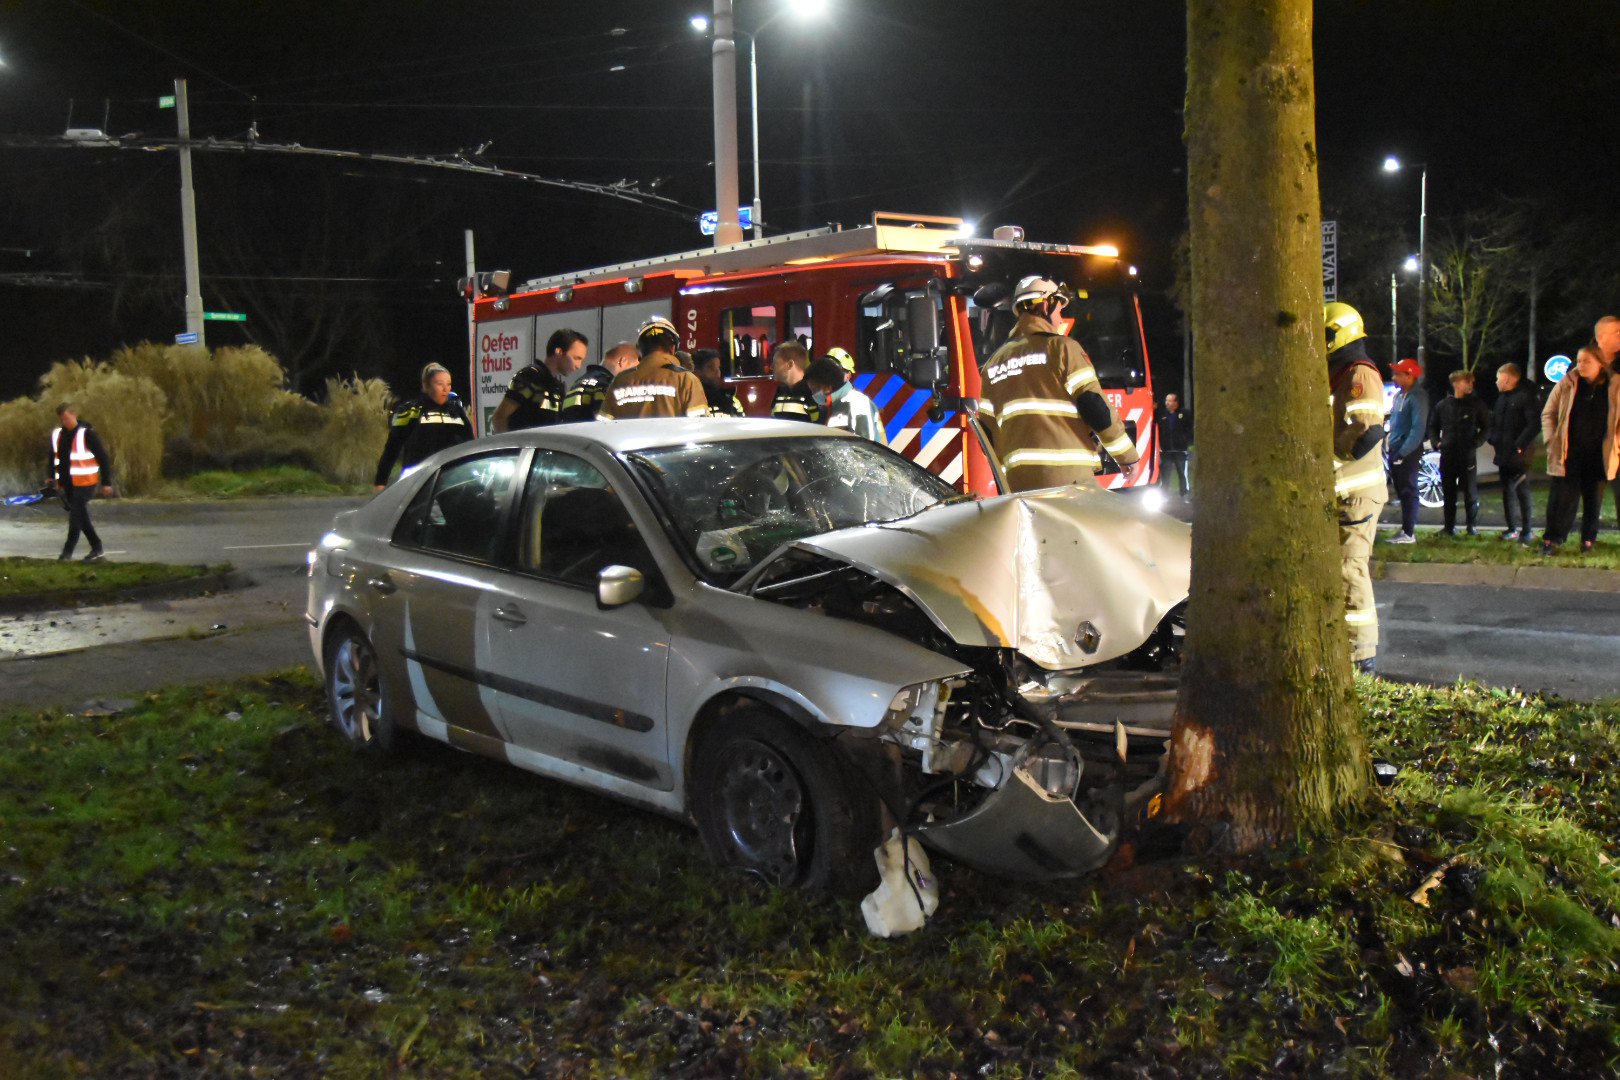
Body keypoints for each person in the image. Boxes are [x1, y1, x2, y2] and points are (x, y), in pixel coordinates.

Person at [978, 276, 1140, 491]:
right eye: (1058, 309)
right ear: (1045, 305)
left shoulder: (993, 363)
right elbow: (1095, 407)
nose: (1060, 317)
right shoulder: (1062, 348)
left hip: (1019, 485)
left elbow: (988, 433)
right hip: (1069, 480)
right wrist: (1126, 456)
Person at [1324, 302, 1388, 675]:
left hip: (1356, 492)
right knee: (1340, 569)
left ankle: (1361, 659)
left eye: (1327, 334)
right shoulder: (1340, 372)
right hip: (1344, 490)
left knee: (1350, 569)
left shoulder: (1358, 372)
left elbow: (1366, 430)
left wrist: (1325, 460)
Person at [1538, 346, 1620, 555]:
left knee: (1594, 500)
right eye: (1578, 361)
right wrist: (1551, 441)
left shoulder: (1614, 385)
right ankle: (1553, 539)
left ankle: (1588, 541)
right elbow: (1549, 413)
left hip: (1599, 454)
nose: (1580, 365)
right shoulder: (1568, 383)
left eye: (1586, 361)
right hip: (1569, 454)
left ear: (1600, 364)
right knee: (1561, 499)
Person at [374, 363, 474, 490]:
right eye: (439, 384)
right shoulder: (409, 410)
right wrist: (380, 481)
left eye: (448, 384)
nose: (445, 389)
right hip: (417, 480)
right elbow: (393, 447)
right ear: (426, 385)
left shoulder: (456, 411)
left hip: (451, 479)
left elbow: (469, 443)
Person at [598, 315, 708, 420]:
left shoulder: (620, 381)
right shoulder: (686, 380)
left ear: (640, 349)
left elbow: (603, 425)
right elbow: (699, 426)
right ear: (673, 348)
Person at [47, 402, 114, 561]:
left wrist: (106, 482)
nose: (64, 422)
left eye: (66, 418)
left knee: (75, 517)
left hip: (85, 482)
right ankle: (97, 548)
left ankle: (66, 553)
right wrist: (50, 476)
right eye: (61, 419)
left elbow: (103, 458)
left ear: (74, 414)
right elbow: (52, 456)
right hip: (67, 483)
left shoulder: (86, 434)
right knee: (81, 517)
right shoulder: (57, 434)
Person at [1426, 369, 1490, 536]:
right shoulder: (1443, 405)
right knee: (1448, 492)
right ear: (1455, 383)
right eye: (1466, 381)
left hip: (1467, 454)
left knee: (1470, 492)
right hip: (1447, 454)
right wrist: (1436, 442)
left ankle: (1471, 527)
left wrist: (1476, 442)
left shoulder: (1477, 404)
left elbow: (1487, 427)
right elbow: (1432, 425)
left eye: (1471, 382)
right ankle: (1449, 527)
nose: (1470, 385)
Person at [490, 328, 588, 433]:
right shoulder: (530, 377)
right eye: (576, 358)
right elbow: (499, 418)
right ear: (559, 352)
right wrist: (511, 448)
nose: (579, 366)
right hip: (525, 447)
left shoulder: (556, 386)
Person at [1487, 363, 1540, 543]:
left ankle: (1527, 530)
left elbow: (1534, 424)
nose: (1496, 382)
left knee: (1521, 490)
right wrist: (1492, 438)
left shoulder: (1526, 397)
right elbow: (1494, 421)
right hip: (1503, 452)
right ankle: (1512, 529)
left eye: (1498, 378)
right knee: (1507, 490)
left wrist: (1520, 445)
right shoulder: (1502, 399)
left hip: (1519, 456)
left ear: (1508, 378)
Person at [1384, 358, 1428, 544]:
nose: (1394, 377)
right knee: (1402, 491)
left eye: (1398, 374)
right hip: (1396, 448)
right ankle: (1405, 530)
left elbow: (1417, 429)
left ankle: (1409, 533)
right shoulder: (1400, 396)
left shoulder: (1417, 397)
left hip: (1406, 451)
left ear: (1410, 376)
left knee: (1408, 491)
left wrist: (1403, 451)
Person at [806, 355, 887, 445]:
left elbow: (869, 448)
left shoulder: (858, 403)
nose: (813, 394)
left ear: (828, 388)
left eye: (814, 389)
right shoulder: (831, 406)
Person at [560, 343, 638, 422]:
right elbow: (605, 423)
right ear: (623, 361)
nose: (633, 375)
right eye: (633, 369)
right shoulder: (606, 385)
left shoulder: (577, 383)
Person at [769, 341, 823, 424]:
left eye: (776, 364)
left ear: (790, 364)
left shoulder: (812, 392)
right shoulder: (780, 391)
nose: (771, 368)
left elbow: (819, 428)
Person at [1155, 392, 1191, 497]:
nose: (1167, 403)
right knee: (1165, 474)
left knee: (1182, 474)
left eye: (1170, 401)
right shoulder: (1162, 415)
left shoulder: (1184, 413)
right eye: (1167, 400)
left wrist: (1185, 440)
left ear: (1176, 402)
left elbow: (1189, 429)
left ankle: (1185, 494)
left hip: (1180, 450)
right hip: (1166, 451)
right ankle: (1163, 495)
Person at [693, 348, 744, 417]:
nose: (717, 372)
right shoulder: (690, 399)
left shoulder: (729, 400)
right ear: (697, 372)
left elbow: (740, 419)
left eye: (718, 368)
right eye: (711, 368)